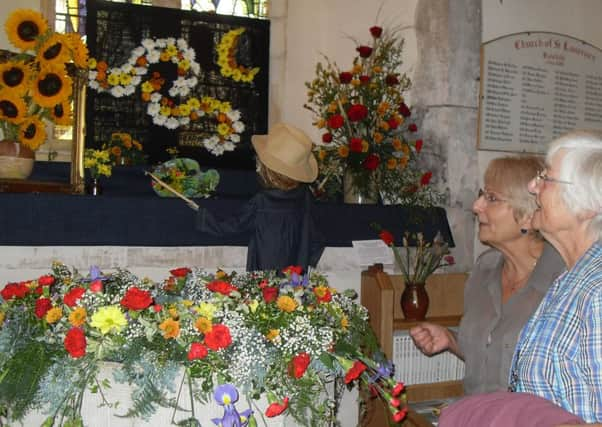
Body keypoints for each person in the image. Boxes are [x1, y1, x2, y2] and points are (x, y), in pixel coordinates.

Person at [409, 156, 564, 395]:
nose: (476, 206)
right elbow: (494, 352)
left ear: (527, 215)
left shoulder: (564, 281)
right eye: (482, 195)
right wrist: (451, 340)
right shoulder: (484, 269)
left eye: (491, 198)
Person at [508, 130, 602, 423]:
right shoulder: (570, 277)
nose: (532, 186)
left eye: (546, 178)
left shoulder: (597, 292)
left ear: (587, 206)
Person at [196, 122, 324, 272]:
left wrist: (204, 217)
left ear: (266, 169)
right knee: (292, 294)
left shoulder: (263, 201)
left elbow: (234, 225)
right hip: (296, 271)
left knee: (267, 294)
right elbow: (314, 234)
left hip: (265, 270)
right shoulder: (304, 196)